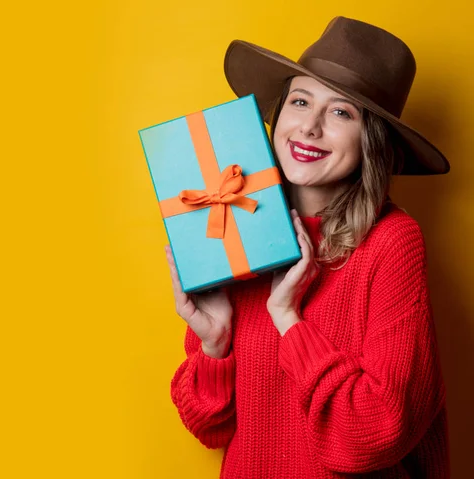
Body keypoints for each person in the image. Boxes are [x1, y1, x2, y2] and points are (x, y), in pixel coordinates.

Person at [165, 16, 450, 479]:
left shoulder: (392, 242)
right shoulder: (234, 222)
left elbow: (373, 436)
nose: (310, 128)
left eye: (341, 112)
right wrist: (213, 345)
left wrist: (288, 319)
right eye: (300, 101)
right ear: (278, 115)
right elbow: (209, 428)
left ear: (371, 141)